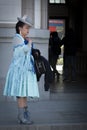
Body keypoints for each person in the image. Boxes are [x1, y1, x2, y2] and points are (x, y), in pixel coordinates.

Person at [3, 15, 39, 124]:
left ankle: (23, 115)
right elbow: (21, 52)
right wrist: (29, 44)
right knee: (20, 94)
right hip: (19, 72)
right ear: (20, 28)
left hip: (24, 71)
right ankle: (21, 116)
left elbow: (27, 54)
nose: (28, 30)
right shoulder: (17, 38)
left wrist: (31, 47)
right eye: (26, 28)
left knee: (23, 93)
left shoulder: (23, 39)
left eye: (29, 28)